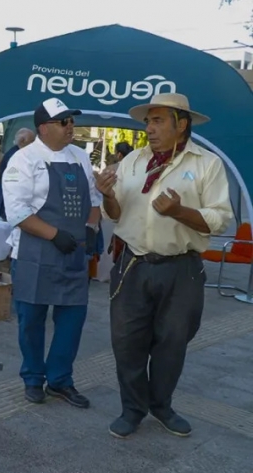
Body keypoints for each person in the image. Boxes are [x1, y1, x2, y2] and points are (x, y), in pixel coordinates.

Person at [95, 93, 232, 439]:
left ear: (181, 124)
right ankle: (132, 409)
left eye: (158, 121)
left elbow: (219, 220)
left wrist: (179, 212)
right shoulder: (133, 162)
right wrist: (108, 195)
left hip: (181, 269)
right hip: (132, 265)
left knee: (173, 342)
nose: (149, 129)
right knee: (126, 341)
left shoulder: (207, 164)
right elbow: (117, 214)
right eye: (147, 121)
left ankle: (161, 405)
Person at [1, 98, 102, 408]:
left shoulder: (81, 158)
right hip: (35, 253)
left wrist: (90, 227)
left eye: (71, 121)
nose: (70, 127)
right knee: (31, 321)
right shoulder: (23, 159)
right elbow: (16, 211)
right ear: (43, 128)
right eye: (63, 122)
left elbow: (94, 199)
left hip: (73, 253)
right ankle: (33, 378)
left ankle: (60, 380)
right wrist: (54, 234)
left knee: (72, 319)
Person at [0, 128, 35, 220]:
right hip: (10, 204)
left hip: (7, 203)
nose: (34, 144)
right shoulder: (17, 156)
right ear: (23, 141)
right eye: (32, 141)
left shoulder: (13, 152)